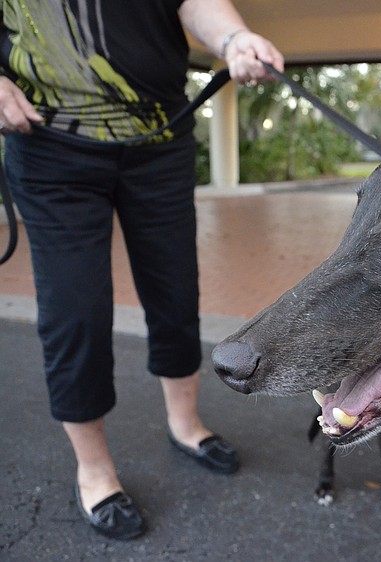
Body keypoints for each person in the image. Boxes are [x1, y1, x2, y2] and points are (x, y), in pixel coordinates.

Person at [0, 0, 283, 540]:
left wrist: (234, 39)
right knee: (75, 312)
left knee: (174, 292)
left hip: (160, 138)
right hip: (49, 148)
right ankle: (95, 468)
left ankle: (186, 424)